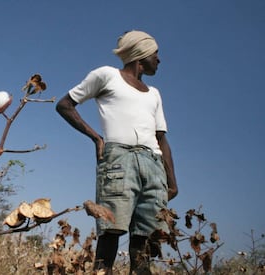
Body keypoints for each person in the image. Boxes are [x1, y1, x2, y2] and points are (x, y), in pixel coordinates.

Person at [56, 30, 178, 274]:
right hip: (119, 160)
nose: (159, 59)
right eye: (156, 54)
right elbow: (65, 105)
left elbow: (161, 139)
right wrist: (96, 138)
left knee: (146, 238)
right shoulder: (106, 75)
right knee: (111, 230)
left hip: (153, 165)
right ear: (141, 55)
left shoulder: (154, 94)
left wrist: (172, 182)